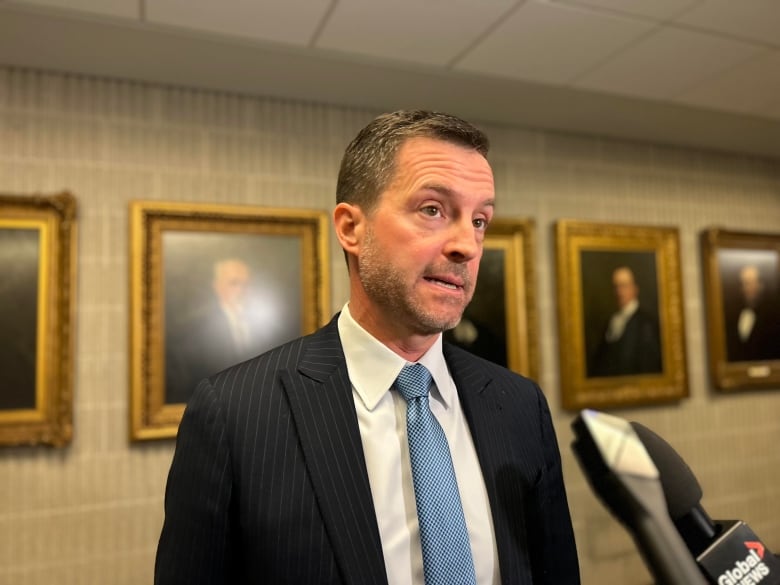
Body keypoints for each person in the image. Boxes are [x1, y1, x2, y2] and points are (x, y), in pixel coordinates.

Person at [155, 110, 580, 584]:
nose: (467, 244)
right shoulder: (236, 415)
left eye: (480, 220)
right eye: (433, 209)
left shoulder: (520, 406)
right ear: (351, 229)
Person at [165, 258, 263, 404]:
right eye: (234, 283)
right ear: (217, 287)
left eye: (247, 284)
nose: (242, 291)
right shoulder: (195, 329)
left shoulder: (267, 326)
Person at [588, 266, 663, 377]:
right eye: (616, 287)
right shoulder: (611, 321)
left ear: (635, 288)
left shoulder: (646, 323)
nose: (619, 291)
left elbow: (649, 366)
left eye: (623, 286)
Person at [724, 264, 780, 362]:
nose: (748, 288)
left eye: (752, 282)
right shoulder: (732, 315)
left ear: (760, 285)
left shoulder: (773, 316)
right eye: (745, 283)